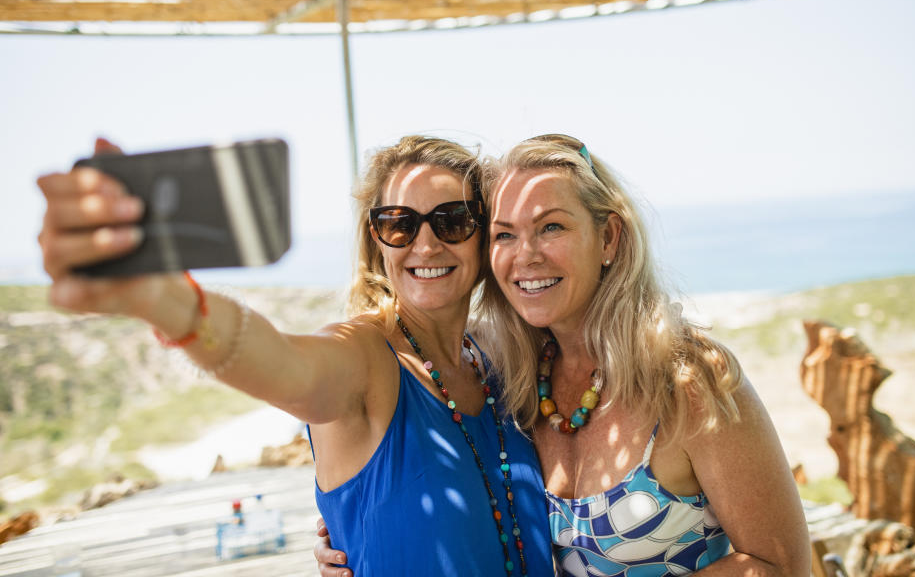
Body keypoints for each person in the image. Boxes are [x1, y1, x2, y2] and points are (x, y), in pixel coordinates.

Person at [36, 135, 553, 577]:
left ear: (484, 233)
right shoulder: (366, 358)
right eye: (399, 223)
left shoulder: (496, 360)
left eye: (453, 220)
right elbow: (284, 363)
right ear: (377, 240)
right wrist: (171, 304)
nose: (426, 243)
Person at [316, 134, 811, 576]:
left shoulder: (686, 378)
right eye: (504, 234)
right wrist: (354, 532)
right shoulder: (511, 379)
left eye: (551, 227)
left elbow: (782, 564)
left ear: (609, 238)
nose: (526, 254)